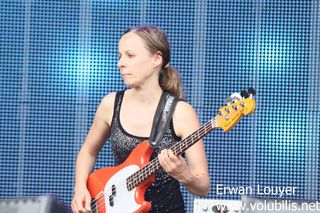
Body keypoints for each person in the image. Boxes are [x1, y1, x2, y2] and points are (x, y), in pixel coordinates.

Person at [71, 25, 210, 213]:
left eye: (130, 55)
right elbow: (88, 151)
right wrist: (80, 188)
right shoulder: (110, 104)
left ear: (156, 59)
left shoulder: (182, 113)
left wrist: (184, 175)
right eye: (120, 56)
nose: (120, 63)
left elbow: (203, 187)